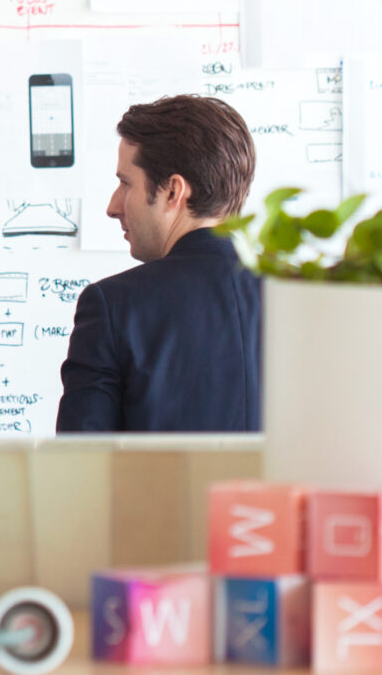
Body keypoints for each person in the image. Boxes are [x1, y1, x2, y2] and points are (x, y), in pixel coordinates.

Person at [56, 94, 262, 433]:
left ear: (173, 192)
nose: (113, 205)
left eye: (125, 183)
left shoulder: (112, 308)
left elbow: (81, 470)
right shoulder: (304, 296)